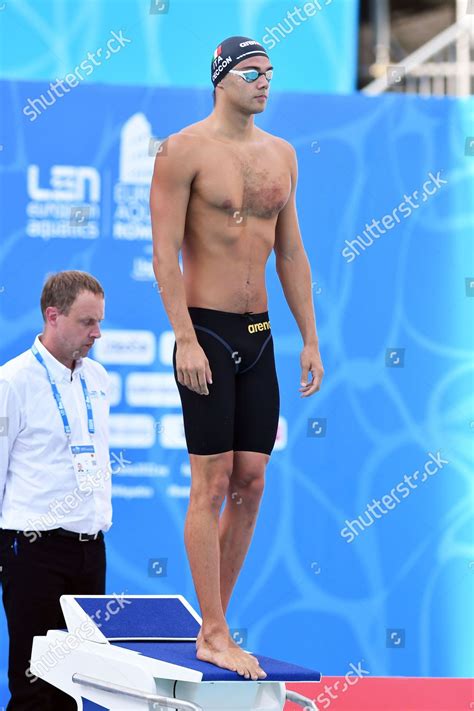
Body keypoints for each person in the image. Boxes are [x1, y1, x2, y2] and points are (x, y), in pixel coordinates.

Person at [150, 35, 324, 681]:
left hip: (260, 334)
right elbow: (164, 253)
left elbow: (291, 252)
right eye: (253, 72)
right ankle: (215, 631)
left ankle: (214, 620)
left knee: (252, 480)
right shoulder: (182, 150)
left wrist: (309, 336)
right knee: (212, 482)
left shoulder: (281, 155)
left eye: (271, 73)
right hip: (206, 331)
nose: (265, 82)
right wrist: (185, 338)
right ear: (221, 77)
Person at [0, 270, 111, 710]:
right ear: (53, 316)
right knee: (35, 685)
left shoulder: (98, 379)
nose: (97, 333)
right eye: (87, 322)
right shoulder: (13, 382)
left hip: (90, 549)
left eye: (99, 322)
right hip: (33, 550)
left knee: (80, 682)